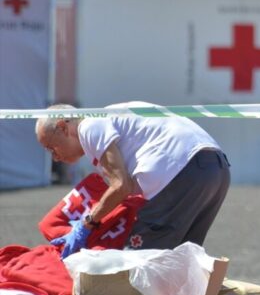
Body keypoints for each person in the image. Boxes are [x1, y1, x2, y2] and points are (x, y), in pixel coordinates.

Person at [35, 102, 231, 254]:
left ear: (62, 127)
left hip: (182, 172)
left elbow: (121, 186)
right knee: (184, 261)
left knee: (137, 264)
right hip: (216, 169)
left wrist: (87, 222)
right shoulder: (109, 117)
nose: (55, 157)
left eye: (51, 148)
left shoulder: (88, 126)